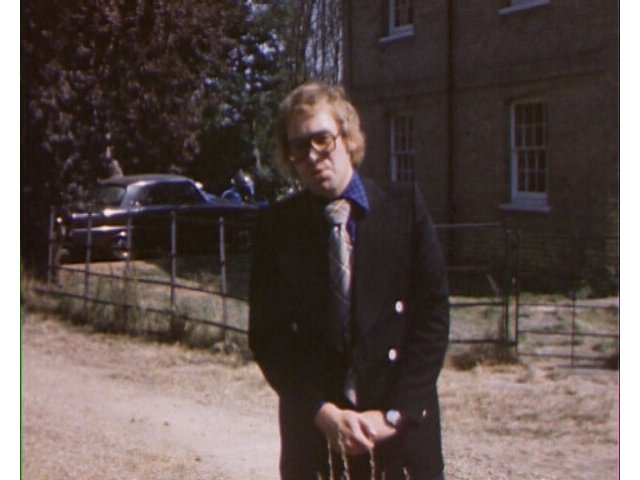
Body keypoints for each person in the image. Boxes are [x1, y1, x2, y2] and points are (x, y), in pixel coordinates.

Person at [249, 81, 450, 480]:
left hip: (399, 430)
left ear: (348, 137)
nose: (312, 155)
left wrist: (393, 416)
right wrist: (320, 411)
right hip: (316, 433)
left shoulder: (404, 208)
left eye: (322, 139)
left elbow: (432, 318)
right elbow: (269, 338)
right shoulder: (277, 228)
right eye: (298, 146)